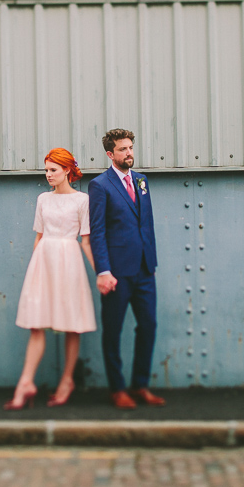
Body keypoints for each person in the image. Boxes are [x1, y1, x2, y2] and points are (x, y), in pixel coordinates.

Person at [5, 148, 97, 410]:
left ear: (67, 170)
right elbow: (39, 236)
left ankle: (67, 380)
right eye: (46, 170)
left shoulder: (82, 200)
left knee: (71, 324)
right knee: (37, 322)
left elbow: (86, 242)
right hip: (43, 261)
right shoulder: (43, 199)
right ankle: (25, 383)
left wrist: (101, 273)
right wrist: (34, 269)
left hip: (69, 260)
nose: (48, 175)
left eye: (53, 170)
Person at [88, 129, 165, 409]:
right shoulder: (100, 185)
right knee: (113, 330)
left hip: (144, 271)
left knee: (148, 326)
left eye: (131, 147)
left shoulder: (142, 181)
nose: (129, 153)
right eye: (123, 149)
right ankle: (118, 389)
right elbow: (97, 232)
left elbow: (147, 224)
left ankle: (140, 385)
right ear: (110, 154)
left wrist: (151, 263)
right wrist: (103, 271)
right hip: (117, 273)